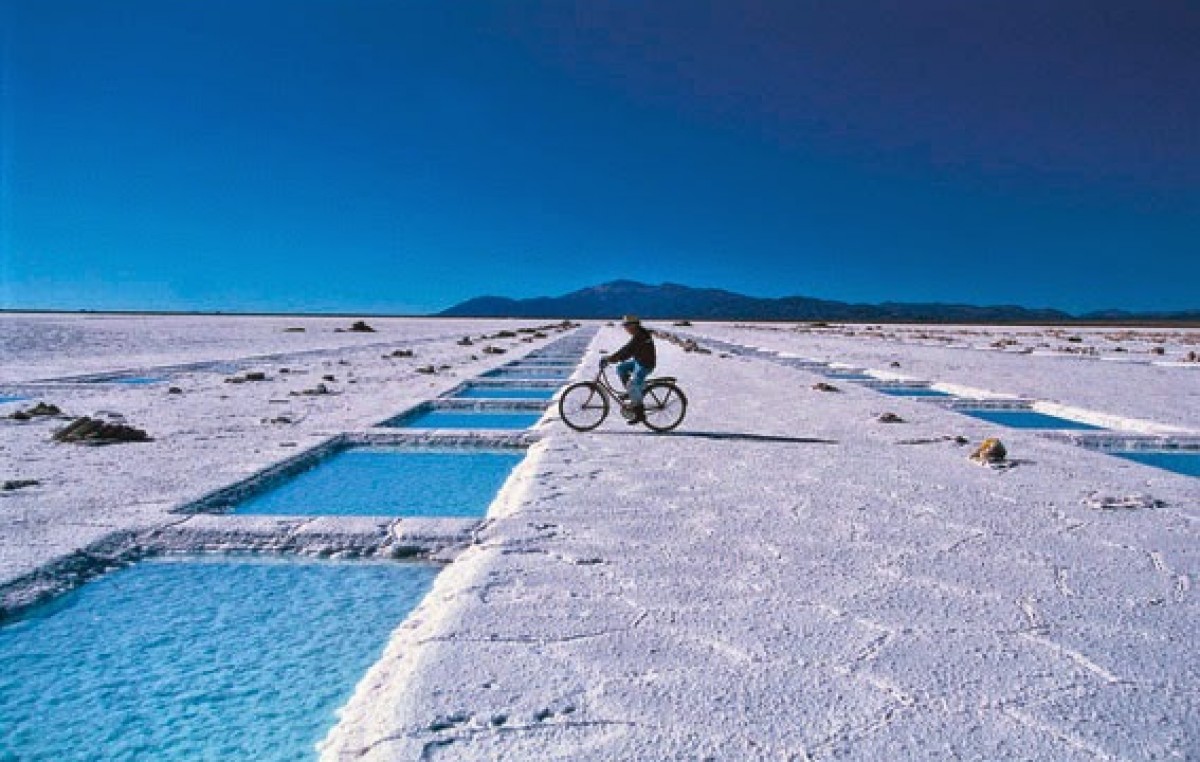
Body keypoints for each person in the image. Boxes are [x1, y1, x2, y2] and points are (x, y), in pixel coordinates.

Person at [601, 315, 657, 424]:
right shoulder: (638, 333)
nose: (625, 328)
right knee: (621, 368)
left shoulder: (640, 335)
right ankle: (631, 393)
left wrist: (613, 358)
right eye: (624, 326)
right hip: (638, 361)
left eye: (626, 326)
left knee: (632, 385)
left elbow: (629, 350)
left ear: (634, 325)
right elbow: (627, 347)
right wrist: (613, 357)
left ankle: (640, 414)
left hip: (645, 365)